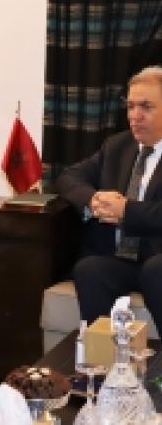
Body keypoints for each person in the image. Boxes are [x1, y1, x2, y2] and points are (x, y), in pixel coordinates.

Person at [57, 66, 162, 337]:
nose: (135, 116)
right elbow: (69, 178)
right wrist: (93, 199)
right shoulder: (117, 146)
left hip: (157, 258)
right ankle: (103, 355)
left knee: (156, 270)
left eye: (146, 107)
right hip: (120, 258)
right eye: (131, 106)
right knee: (90, 269)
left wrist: (126, 210)